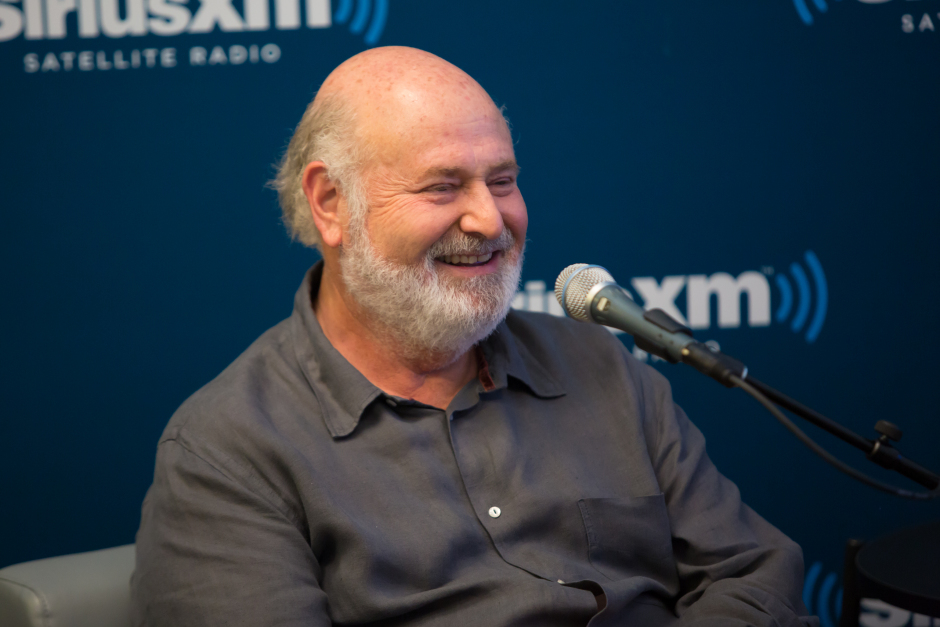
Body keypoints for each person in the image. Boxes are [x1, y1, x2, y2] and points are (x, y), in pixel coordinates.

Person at [131, 46, 817, 627]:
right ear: (331, 202)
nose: (490, 220)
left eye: (503, 180)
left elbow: (758, 573)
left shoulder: (598, 364)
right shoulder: (226, 450)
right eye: (443, 187)